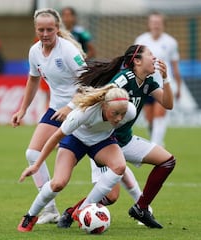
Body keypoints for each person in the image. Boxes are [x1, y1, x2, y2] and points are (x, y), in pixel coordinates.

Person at [58, 44, 176, 229]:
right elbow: (97, 96)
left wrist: (166, 78)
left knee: (167, 161)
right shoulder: (123, 79)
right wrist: (70, 107)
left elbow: (168, 104)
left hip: (125, 141)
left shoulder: (148, 82)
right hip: (104, 143)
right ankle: (72, 212)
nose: (154, 58)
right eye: (150, 55)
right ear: (137, 61)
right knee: (111, 197)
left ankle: (141, 208)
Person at [17, 84, 137, 232]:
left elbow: (122, 130)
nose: (119, 118)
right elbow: (55, 138)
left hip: (102, 141)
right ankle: (30, 216)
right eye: (115, 113)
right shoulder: (83, 113)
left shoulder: (130, 111)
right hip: (75, 140)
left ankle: (82, 209)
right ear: (104, 106)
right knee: (58, 183)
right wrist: (36, 165)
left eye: (122, 113)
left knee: (119, 166)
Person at [11, 8, 86, 225]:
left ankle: (141, 203)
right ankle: (50, 209)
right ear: (36, 29)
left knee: (106, 163)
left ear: (57, 28)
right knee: (32, 153)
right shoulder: (34, 51)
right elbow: (33, 79)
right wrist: (23, 109)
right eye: (41, 29)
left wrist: (71, 106)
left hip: (81, 109)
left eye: (49, 29)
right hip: (55, 110)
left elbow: (89, 81)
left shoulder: (68, 50)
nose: (45, 34)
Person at [135, 12, 182, 146]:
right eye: (153, 22)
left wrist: (178, 87)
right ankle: (157, 142)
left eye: (158, 23)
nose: (156, 25)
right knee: (149, 119)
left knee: (159, 115)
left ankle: (155, 145)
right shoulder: (141, 40)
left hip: (163, 84)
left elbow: (175, 66)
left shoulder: (171, 42)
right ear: (149, 24)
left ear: (163, 25)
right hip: (145, 84)